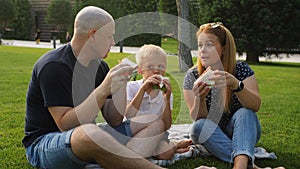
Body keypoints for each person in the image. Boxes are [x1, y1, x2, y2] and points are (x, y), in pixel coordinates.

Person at [23, 6, 165, 169]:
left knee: (153, 122)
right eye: (109, 36)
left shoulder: (100, 67)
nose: (113, 42)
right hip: (45, 144)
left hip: (88, 138)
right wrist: (103, 89)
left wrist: (120, 84)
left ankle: (118, 162)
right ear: (93, 35)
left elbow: (114, 119)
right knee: (91, 133)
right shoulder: (54, 66)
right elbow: (65, 125)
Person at [183, 22, 285, 169]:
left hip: (243, 130)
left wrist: (236, 85)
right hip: (213, 135)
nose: (203, 50)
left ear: (223, 48)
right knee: (198, 126)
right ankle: (248, 165)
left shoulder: (241, 69)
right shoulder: (192, 75)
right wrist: (200, 98)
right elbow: (198, 118)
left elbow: (255, 106)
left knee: (245, 112)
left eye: (209, 45)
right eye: (200, 45)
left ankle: (240, 166)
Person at [125, 44, 192, 160]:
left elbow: (166, 125)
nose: (156, 70)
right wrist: (142, 90)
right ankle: (174, 145)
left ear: (165, 69)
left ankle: (174, 145)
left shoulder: (164, 91)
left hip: (157, 133)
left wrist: (166, 98)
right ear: (140, 70)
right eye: (150, 67)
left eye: (161, 66)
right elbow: (129, 114)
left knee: (165, 154)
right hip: (133, 133)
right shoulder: (131, 87)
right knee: (139, 150)